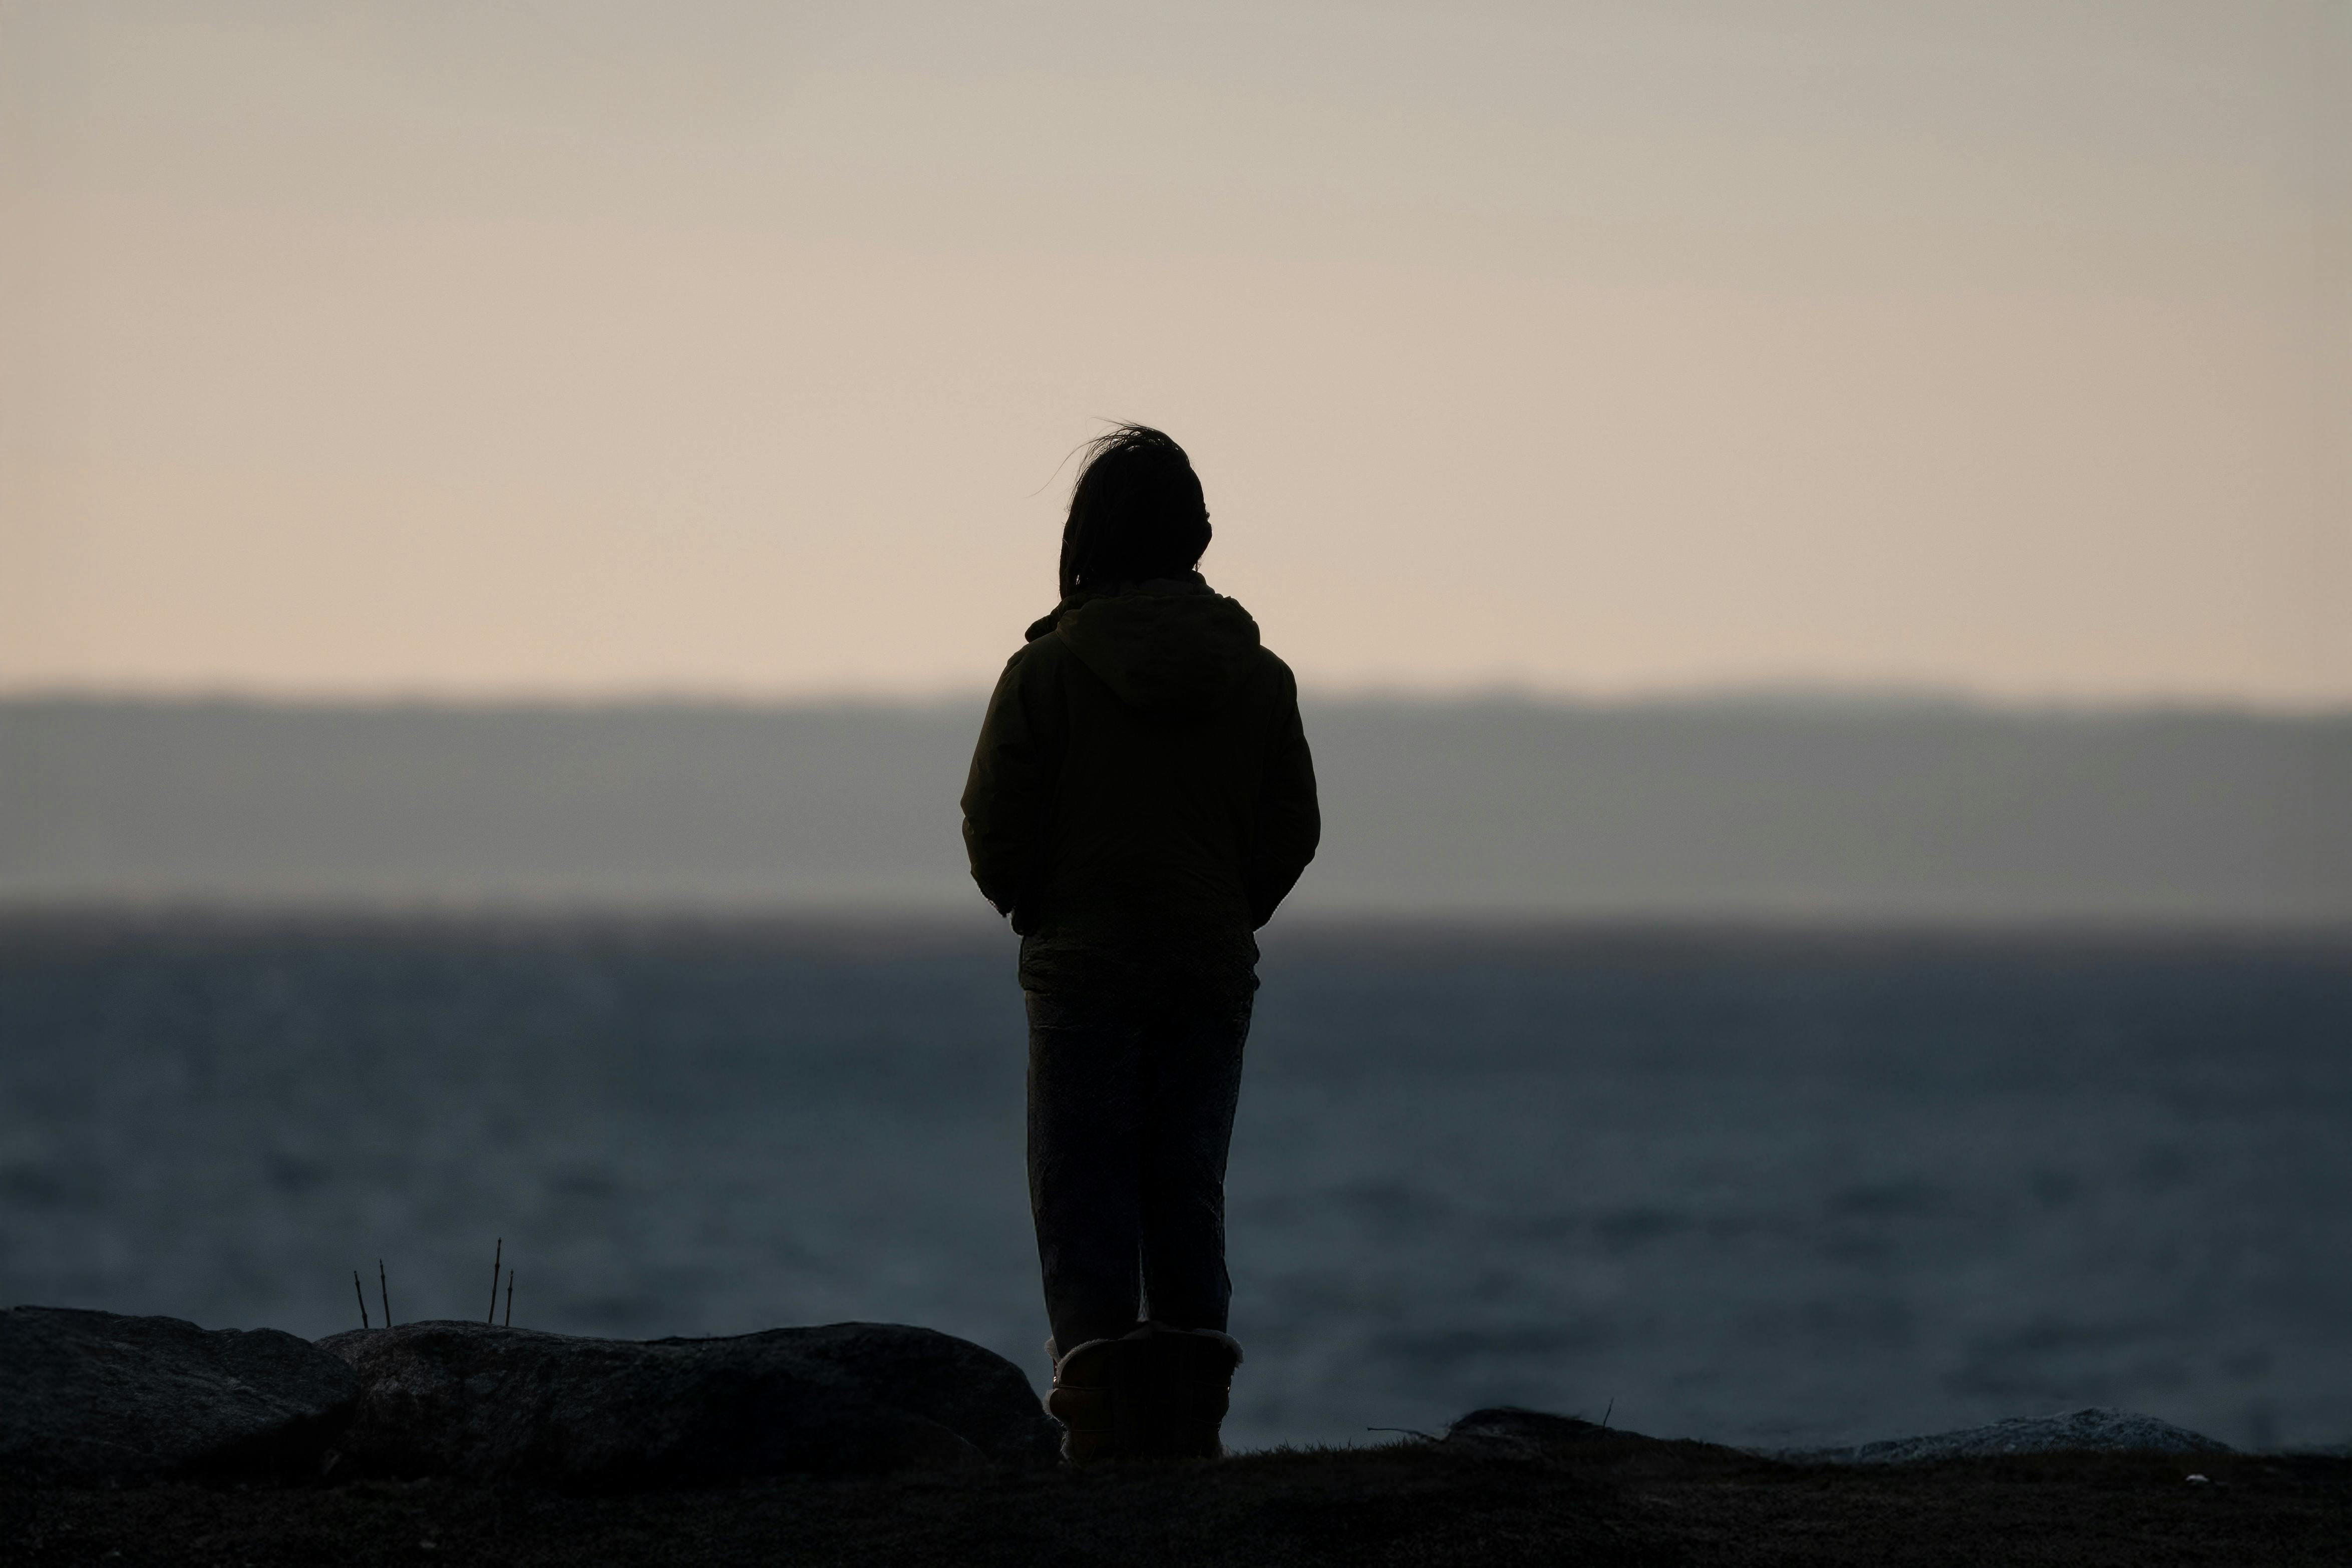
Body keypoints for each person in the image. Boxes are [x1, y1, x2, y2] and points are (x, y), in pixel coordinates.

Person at [961, 425, 1319, 1462]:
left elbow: (996, 833)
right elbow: (1290, 831)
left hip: (1081, 972)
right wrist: (1221, 909)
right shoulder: (1260, 680)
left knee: (1083, 1197)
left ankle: (1104, 1440)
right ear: (1196, 536)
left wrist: (1046, 912)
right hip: (1208, 968)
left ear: (1089, 535)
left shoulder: (1046, 676)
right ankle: (1187, 1434)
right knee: (1186, 1185)